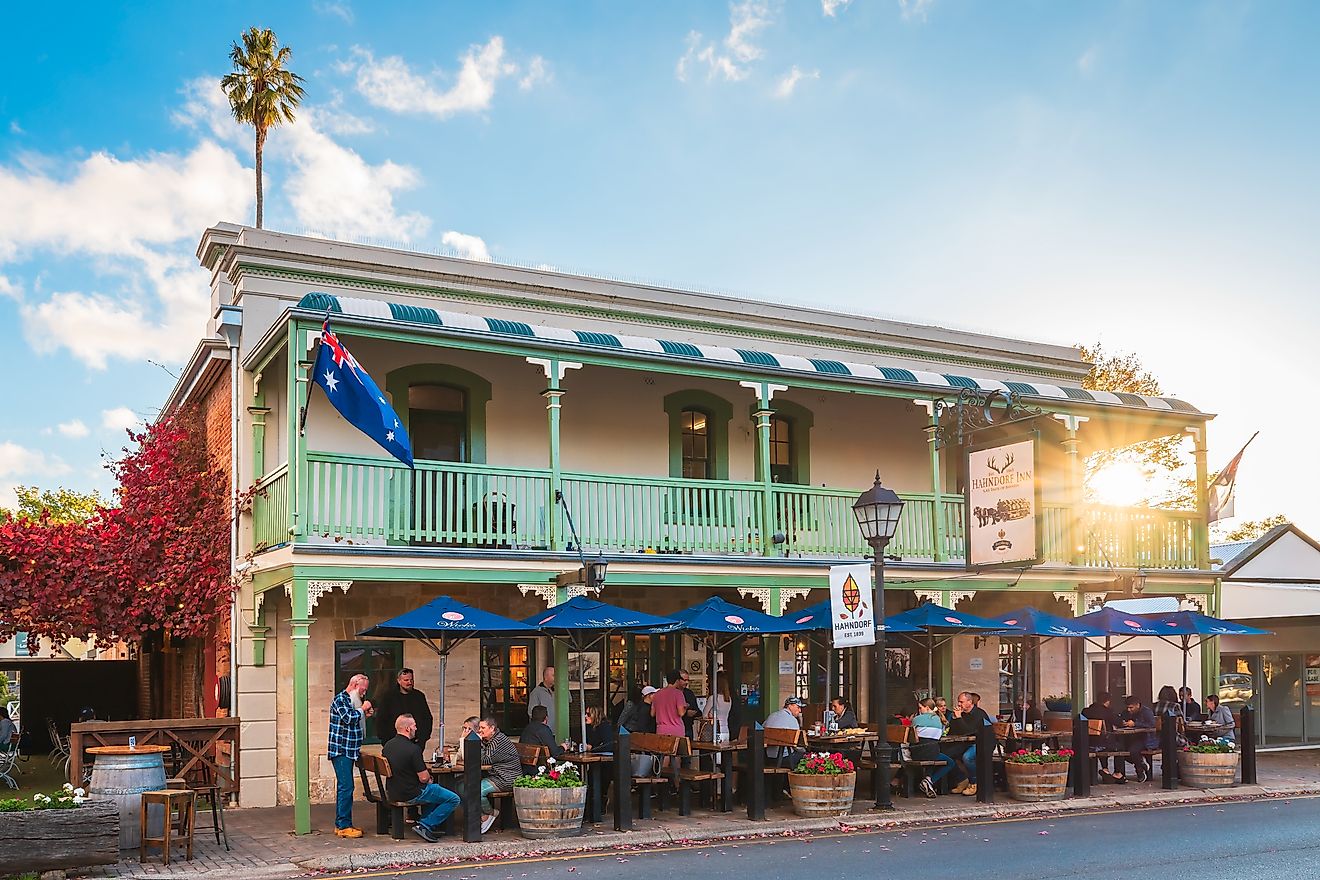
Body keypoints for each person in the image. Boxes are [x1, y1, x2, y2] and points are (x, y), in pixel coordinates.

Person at [382, 714, 460, 842]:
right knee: (453, 799)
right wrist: (429, 779)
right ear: (407, 728)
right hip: (412, 792)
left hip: (393, 790)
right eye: (414, 726)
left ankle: (426, 821)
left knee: (435, 790)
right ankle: (426, 825)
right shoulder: (413, 749)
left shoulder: (388, 746)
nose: (416, 728)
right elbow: (423, 778)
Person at [327, 674, 372, 838]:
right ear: (354, 685)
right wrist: (362, 709)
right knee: (346, 787)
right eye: (362, 689)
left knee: (345, 787)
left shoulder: (351, 701)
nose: (364, 693)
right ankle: (343, 825)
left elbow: (354, 720)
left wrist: (364, 714)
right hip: (341, 750)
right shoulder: (341, 699)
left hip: (349, 750)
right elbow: (348, 718)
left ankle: (342, 824)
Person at [475, 717, 522, 834]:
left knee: (476, 790)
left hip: (507, 778)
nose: (480, 730)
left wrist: (478, 742)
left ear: (492, 728)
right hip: (496, 776)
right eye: (479, 728)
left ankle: (490, 813)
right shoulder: (490, 740)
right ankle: (480, 815)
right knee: (461, 786)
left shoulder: (498, 741)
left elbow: (484, 760)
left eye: (483, 728)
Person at [376, 669, 435, 752]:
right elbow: (381, 719)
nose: (409, 682)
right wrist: (386, 741)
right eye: (406, 680)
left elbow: (427, 718)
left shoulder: (419, 696)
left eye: (411, 680)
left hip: (416, 742)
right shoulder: (388, 697)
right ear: (399, 681)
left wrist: (423, 738)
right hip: (393, 742)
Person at [947, 691, 992, 797]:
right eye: (958, 702)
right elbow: (953, 732)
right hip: (966, 742)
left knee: (967, 757)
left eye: (961, 702)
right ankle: (962, 779)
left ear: (970, 702)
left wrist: (959, 718)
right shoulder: (962, 714)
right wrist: (954, 719)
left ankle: (974, 782)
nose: (959, 704)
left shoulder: (979, 714)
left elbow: (968, 731)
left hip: (981, 743)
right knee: (947, 755)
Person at [910, 698, 956, 797]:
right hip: (933, 752)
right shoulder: (939, 720)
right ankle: (930, 780)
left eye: (920, 708)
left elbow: (912, 737)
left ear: (926, 708)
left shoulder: (916, 719)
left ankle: (927, 781)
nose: (919, 710)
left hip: (917, 752)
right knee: (950, 763)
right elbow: (939, 737)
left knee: (931, 757)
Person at [1082, 691, 1124, 782]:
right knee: (1121, 747)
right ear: (1107, 701)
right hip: (1103, 745)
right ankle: (1118, 773)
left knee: (1101, 741)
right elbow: (1119, 722)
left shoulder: (1086, 711)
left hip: (1089, 743)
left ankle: (1105, 769)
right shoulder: (1107, 711)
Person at [1118, 695, 1157, 782]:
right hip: (1130, 738)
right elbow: (1121, 719)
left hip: (1146, 738)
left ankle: (1140, 771)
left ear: (1138, 705)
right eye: (1128, 707)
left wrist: (1135, 724)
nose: (1129, 710)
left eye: (1131, 707)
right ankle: (1142, 764)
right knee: (1120, 750)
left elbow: (1151, 725)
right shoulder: (1126, 713)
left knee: (1133, 750)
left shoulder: (1147, 712)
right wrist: (1123, 723)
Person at [764, 696, 807, 768]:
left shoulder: (772, 715)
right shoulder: (792, 719)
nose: (800, 710)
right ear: (790, 706)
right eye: (798, 707)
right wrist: (805, 749)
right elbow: (797, 746)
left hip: (768, 758)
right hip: (784, 759)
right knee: (808, 756)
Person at [651, 671, 688, 737]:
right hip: (676, 729)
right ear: (677, 680)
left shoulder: (657, 694)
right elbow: (681, 713)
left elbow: (652, 713)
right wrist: (686, 707)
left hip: (661, 730)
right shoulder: (678, 693)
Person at [528, 667, 557, 733]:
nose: (556, 678)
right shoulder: (536, 692)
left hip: (558, 730)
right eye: (553, 675)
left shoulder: (557, 690)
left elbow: (569, 700)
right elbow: (531, 712)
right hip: (544, 731)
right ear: (546, 677)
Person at [677, 671, 702, 739]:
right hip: (676, 728)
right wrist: (686, 713)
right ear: (678, 680)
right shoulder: (673, 693)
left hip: (688, 727)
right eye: (684, 680)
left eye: (688, 680)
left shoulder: (689, 693)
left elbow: (697, 710)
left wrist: (694, 713)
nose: (687, 682)